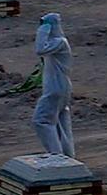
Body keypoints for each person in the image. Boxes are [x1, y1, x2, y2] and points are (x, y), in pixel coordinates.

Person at [30, 12, 76, 158]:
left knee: (41, 121)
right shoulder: (58, 43)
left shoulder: (59, 42)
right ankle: (67, 156)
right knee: (59, 123)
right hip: (61, 88)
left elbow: (40, 49)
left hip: (55, 88)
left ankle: (56, 156)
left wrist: (43, 30)